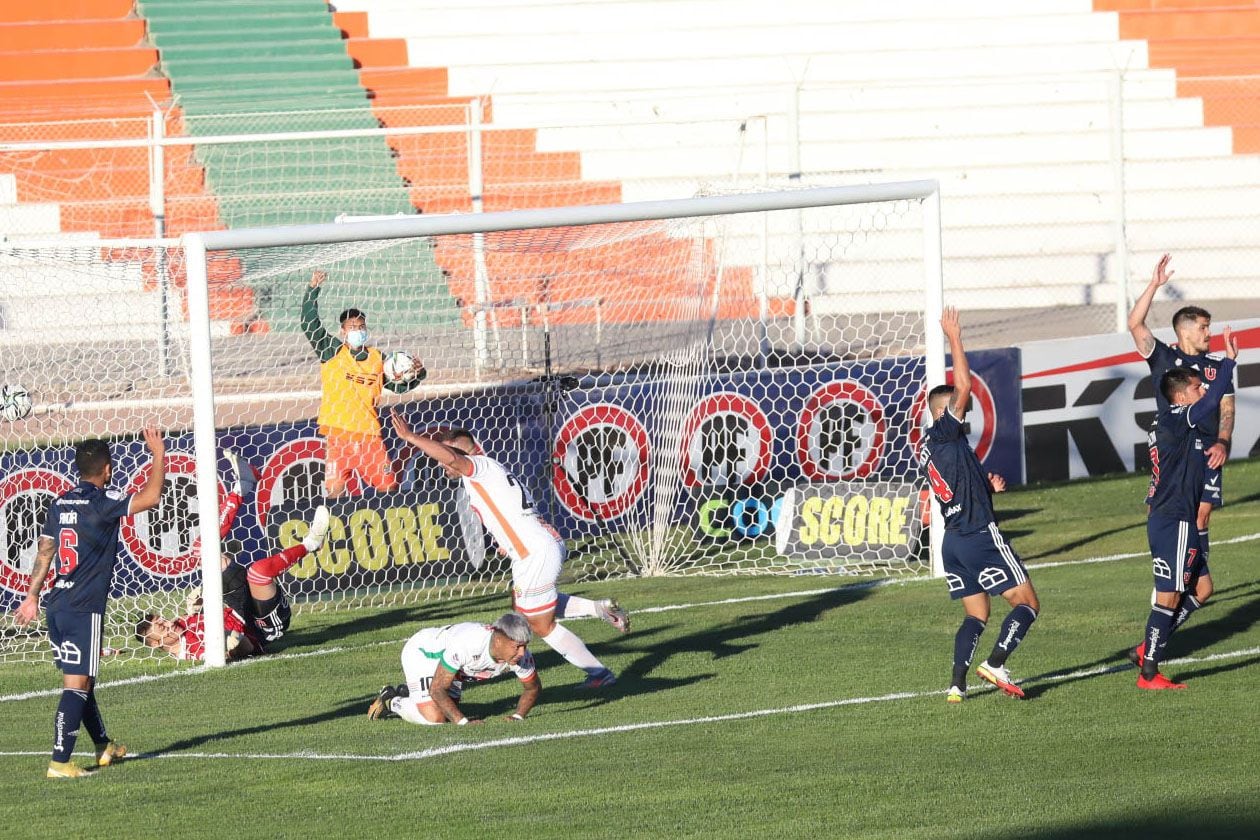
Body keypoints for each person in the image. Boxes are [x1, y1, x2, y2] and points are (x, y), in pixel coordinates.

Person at [390, 412, 628, 689]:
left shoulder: (479, 466)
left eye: (445, 457)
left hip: (535, 551)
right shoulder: (485, 473)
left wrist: (410, 437)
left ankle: (600, 676)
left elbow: (454, 459)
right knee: (525, 610)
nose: (443, 464)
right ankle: (598, 609)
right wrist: (507, 542)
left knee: (540, 625)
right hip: (532, 548)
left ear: (464, 452)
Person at [13, 428, 166, 778]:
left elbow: (45, 551)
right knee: (76, 685)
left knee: (84, 681)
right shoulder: (104, 501)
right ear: (108, 469)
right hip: (84, 607)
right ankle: (59, 762)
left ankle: (103, 745)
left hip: (57, 604)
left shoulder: (60, 502)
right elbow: (152, 497)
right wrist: (157, 453)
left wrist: (32, 596)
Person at [921, 308, 1040, 702]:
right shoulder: (944, 431)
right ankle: (997, 663)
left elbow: (957, 484)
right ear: (944, 412)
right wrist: (955, 337)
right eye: (957, 407)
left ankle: (957, 684)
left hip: (953, 542)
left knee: (976, 615)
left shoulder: (941, 447)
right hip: (978, 536)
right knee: (1026, 603)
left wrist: (986, 485)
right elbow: (965, 387)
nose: (965, 409)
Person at [1128, 329, 1238, 689]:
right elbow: (1210, 404)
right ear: (1180, 395)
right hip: (1172, 519)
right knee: (1168, 597)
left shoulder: (1174, 422)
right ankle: (1149, 672)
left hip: (1180, 517)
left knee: (1202, 589)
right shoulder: (1177, 417)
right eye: (1196, 387)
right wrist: (1229, 364)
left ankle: (1150, 646)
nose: (1202, 390)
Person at [1128, 254, 1236, 604]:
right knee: (1161, 509)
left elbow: (1227, 408)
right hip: (1173, 451)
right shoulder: (1163, 358)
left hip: (1206, 451)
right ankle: (1171, 571)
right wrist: (1154, 285)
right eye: (1204, 327)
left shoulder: (1216, 366)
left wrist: (1222, 440)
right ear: (1185, 330)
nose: (1209, 333)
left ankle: (1190, 576)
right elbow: (1134, 324)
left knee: (1201, 512)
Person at [135, 497, 330, 661]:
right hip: (262, 626)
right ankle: (311, 543)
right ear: (155, 643)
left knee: (201, 549)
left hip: (238, 606)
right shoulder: (194, 652)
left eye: (164, 620)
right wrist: (235, 644)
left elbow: (213, 615)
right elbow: (244, 650)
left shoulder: (180, 625)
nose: (169, 623)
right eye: (162, 627)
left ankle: (241, 488)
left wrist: (200, 605)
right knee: (258, 572)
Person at [302, 269, 427, 497]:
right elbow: (309, 323)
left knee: (389, 490)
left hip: (369, 437)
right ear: (343, 331)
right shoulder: (332, 350)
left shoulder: (378, 359)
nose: (358, 331)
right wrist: (313, 290)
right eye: (352, 328)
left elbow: (397, 386)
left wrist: (417, 374)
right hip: (338, 436)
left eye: (361, 327)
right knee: (335, 492)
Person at [367, 613, 540, 725]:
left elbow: (532, 687)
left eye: (525, 646)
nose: (522, 652)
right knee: (435, 718)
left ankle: (411, 693)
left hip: (454, 669)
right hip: (424, 653)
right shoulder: (468, 644)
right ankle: (392, 700)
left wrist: (518, 716)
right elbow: (437, 689)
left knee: (447, 710)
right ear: (499, 640)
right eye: (517, 646)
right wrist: (464, 723)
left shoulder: (521, 655)